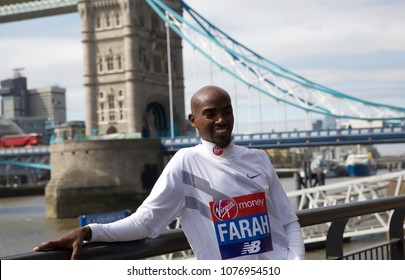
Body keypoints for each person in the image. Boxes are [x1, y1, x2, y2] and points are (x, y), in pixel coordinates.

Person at [33, 85, 305, 260]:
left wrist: (297, 264)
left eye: (227, 112)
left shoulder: (258, 159)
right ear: (193, 120)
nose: (221, 120)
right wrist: (90, 231)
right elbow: (145, 223)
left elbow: (289, 221)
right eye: (210, 114)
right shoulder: (185, 164)